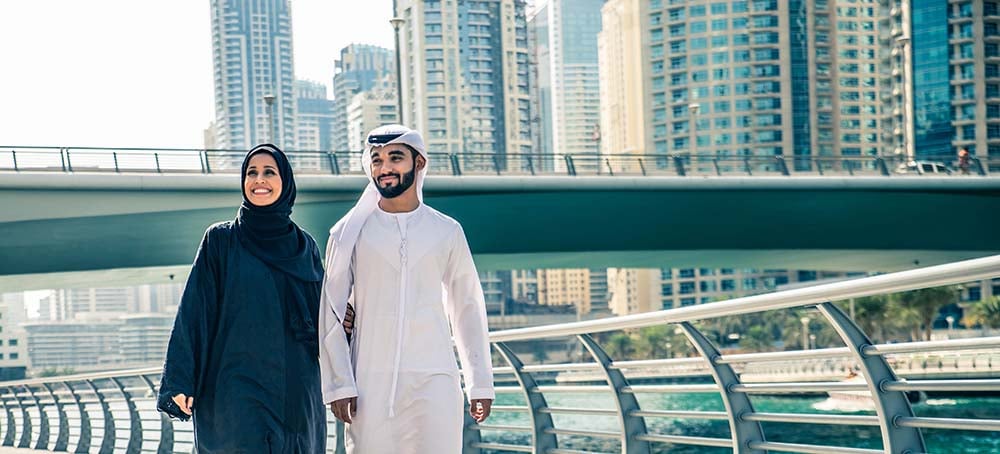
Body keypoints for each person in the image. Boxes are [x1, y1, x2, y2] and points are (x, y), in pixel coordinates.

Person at [319, 124, 494, 453]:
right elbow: (330, 313)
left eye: (395, 158)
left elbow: (466, 306)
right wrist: (339, 384)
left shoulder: (446, 231)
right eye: (376, 160)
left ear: (420, 163)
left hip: (436, 379)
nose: (384, 168)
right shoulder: (347, 234)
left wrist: (479, 381)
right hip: (369, 381)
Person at [157, 144, 327, 453]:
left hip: (296, 389)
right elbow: (195, 312)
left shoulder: (305, 247)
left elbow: (323, 320)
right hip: (233, 387)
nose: (259, 180)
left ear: (285, 182)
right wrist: (180, 380)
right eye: (252, 173)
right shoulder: (221, 241)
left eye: (269, 172)